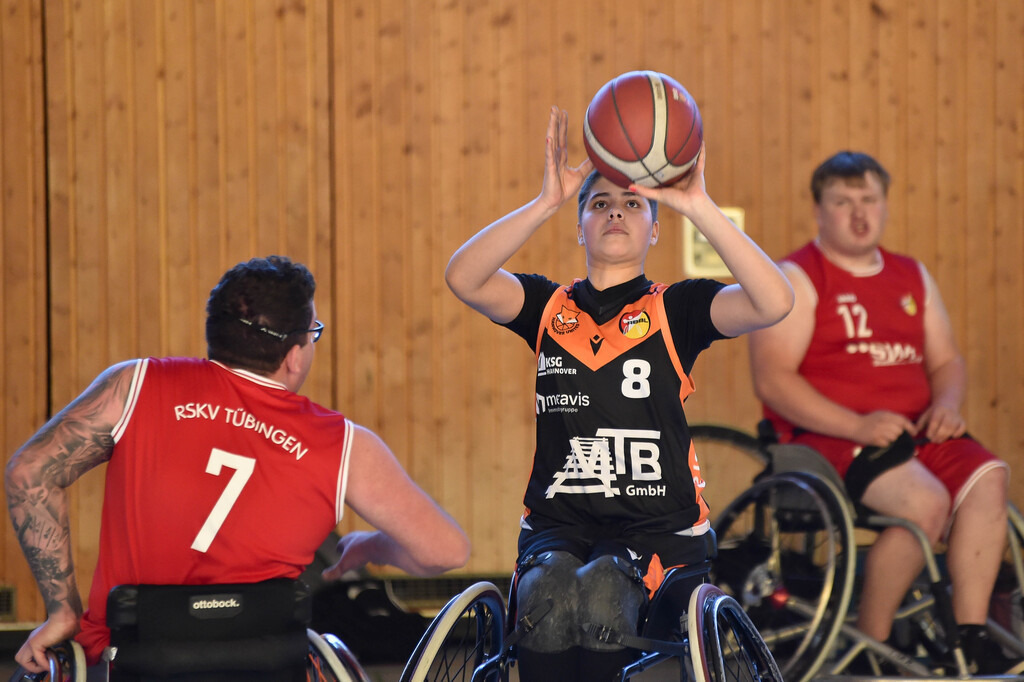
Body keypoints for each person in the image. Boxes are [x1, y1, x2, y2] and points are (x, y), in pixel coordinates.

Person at [445, 106, 793, 681]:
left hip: (658, 529)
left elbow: (773, 302)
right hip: (562, 523)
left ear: (655, 229)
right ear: (579, 225)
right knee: (546, 597)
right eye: (599, 204)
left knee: (605, 593)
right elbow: (464, 277)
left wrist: (696, 205)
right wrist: (543, 203)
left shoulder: (675, 309)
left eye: (633, 204)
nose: (615, 212)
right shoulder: (547, 307)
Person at [5, 255, 470, 674]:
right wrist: (370, 548)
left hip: (132, 663)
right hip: (267, 665)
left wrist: (62, 612)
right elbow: (445, 551)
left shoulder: (134, 385)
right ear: (293, 356)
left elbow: (30, 473)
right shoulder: (344, 443)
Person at [748, 151, 1016, 674]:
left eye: (868, 200)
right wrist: (856, 425)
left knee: (990, 479)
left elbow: (946, 361)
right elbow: (773, 380)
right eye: (842, 202)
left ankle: (970, 637)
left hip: (916, 430)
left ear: (885, 205)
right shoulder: (799, 276)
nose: (858, 213)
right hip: (829, 435)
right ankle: (872, 645)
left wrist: (947, 405)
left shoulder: (910, 275)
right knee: (926, 503)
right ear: (818, 212)